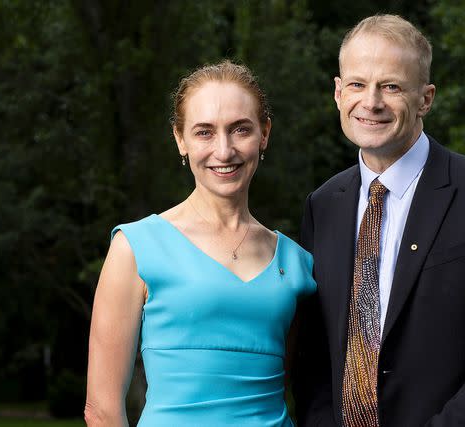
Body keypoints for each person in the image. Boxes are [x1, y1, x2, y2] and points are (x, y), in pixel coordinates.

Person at [295, 14, 465, 427]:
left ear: (425, 98)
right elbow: (315, 353)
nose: (371, 101)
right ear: (338, 93)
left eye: (391, 86)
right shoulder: (323, 205)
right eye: (358, 84)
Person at [84, 60, 316, 427]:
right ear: (180, 139)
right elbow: (102, 411)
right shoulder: (136, 247)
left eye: (240, 130)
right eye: (204, 132)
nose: (224, 151)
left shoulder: (297, 262)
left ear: (265, 133)